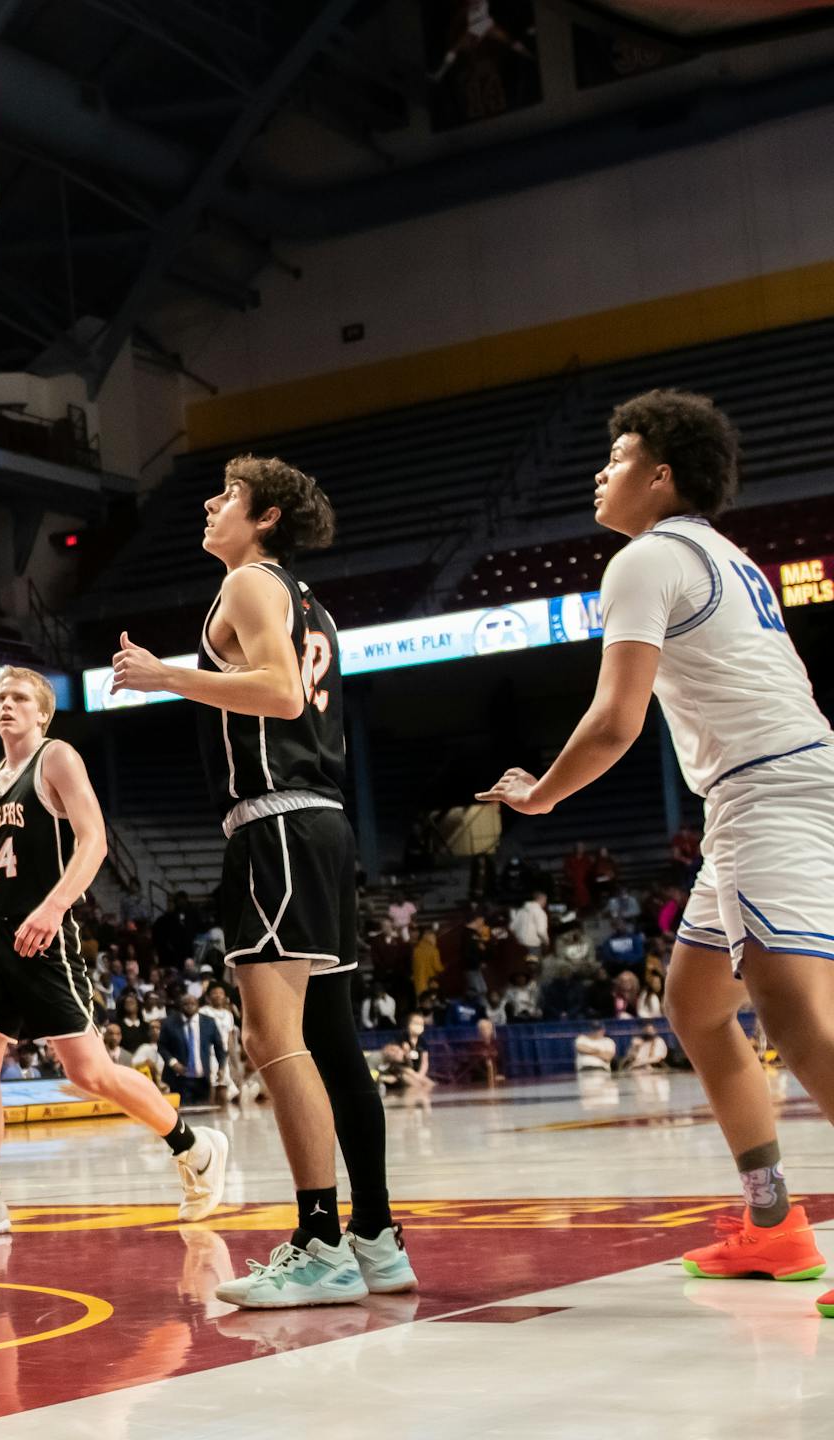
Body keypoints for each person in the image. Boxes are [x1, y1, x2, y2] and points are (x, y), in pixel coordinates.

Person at [479, 391, 834, 1309]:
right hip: (763, 788)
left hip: (773, 788)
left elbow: (613, 722)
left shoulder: (647, 557)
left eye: (619, 455)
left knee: (797, 1018)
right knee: (697, 1003)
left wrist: (540, 793)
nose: (602, 470)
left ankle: (776, 1225)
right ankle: (772, 1223)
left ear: (661, 475)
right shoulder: (722, 553)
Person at [109, 459, 411, 1307]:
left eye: (228, 496)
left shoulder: (248, 584)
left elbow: (278, 694)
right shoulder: (309, 602)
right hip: (319, 823)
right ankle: (377, 1238)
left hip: (275, 823)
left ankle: (319, 1241)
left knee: (272, 1040)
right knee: (335, 1043)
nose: (209, 504)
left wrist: (169, 675)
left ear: (265, 517)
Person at [0, 668, 227, 1241]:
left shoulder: (56, 757)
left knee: (88, 1072)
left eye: (19, 698)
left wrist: (54, 907)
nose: (7, 705)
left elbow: (94, 840)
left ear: (42, 713)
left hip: (43, 935)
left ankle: (194, 1147)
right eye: (0, 698)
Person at [158, 993, 226, 1106]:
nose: (189, 1006)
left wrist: (221, 1067)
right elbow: (161, 1046)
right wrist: (173, 1062)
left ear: (198, 1005)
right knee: (183, 1116)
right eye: (186, 1004)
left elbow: (219, 1047)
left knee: (205, 1114)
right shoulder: (169, 1023)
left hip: (203, 1078)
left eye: (192, 1003)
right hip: (179, 1078)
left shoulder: (209, 1022)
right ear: (180, 1006)